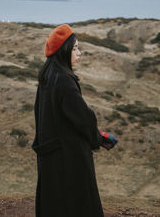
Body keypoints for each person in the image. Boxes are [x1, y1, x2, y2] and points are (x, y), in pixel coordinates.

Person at [31, 24, 118, 217]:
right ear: (63, 50)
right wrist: (98, 138)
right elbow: (83, 118)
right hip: (69, 157)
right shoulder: (63, 79)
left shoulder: (48, 74)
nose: (79, 53)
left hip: (51, 154)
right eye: (75, 48)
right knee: (78, 203)